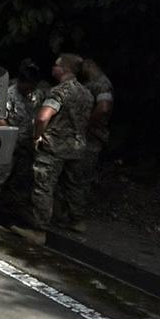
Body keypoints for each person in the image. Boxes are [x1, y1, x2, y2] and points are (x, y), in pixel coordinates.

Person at [11, 54, 93, 245]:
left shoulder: (59, 91)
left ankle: (38, 230)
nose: (53, 68)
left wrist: (37, 136)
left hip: (54, 146)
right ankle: (76, 221)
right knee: (73, 184)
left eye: (56, 65)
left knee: (43, 187)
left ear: (64, 69)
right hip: (77, 146)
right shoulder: (86, 93)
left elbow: (43, 117)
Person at [64, 58, 114, 230]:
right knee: (75, 177)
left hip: (91, 138)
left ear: (91, 64)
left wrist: (87, 123)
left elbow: (104, 107)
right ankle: (71, 215)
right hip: (86, 138)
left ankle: (76, 218)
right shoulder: (92, 83)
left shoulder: (102, 84)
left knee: (78, 178)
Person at [0, 59, 42, 212]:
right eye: (27, 86)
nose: (29, 89)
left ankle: (13, 206)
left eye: (32, 86)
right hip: (8, 143)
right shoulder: (8, 95)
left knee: (22, 177)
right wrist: (13, 139)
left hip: (27, 144)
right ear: (20, 81)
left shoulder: (36, 95)